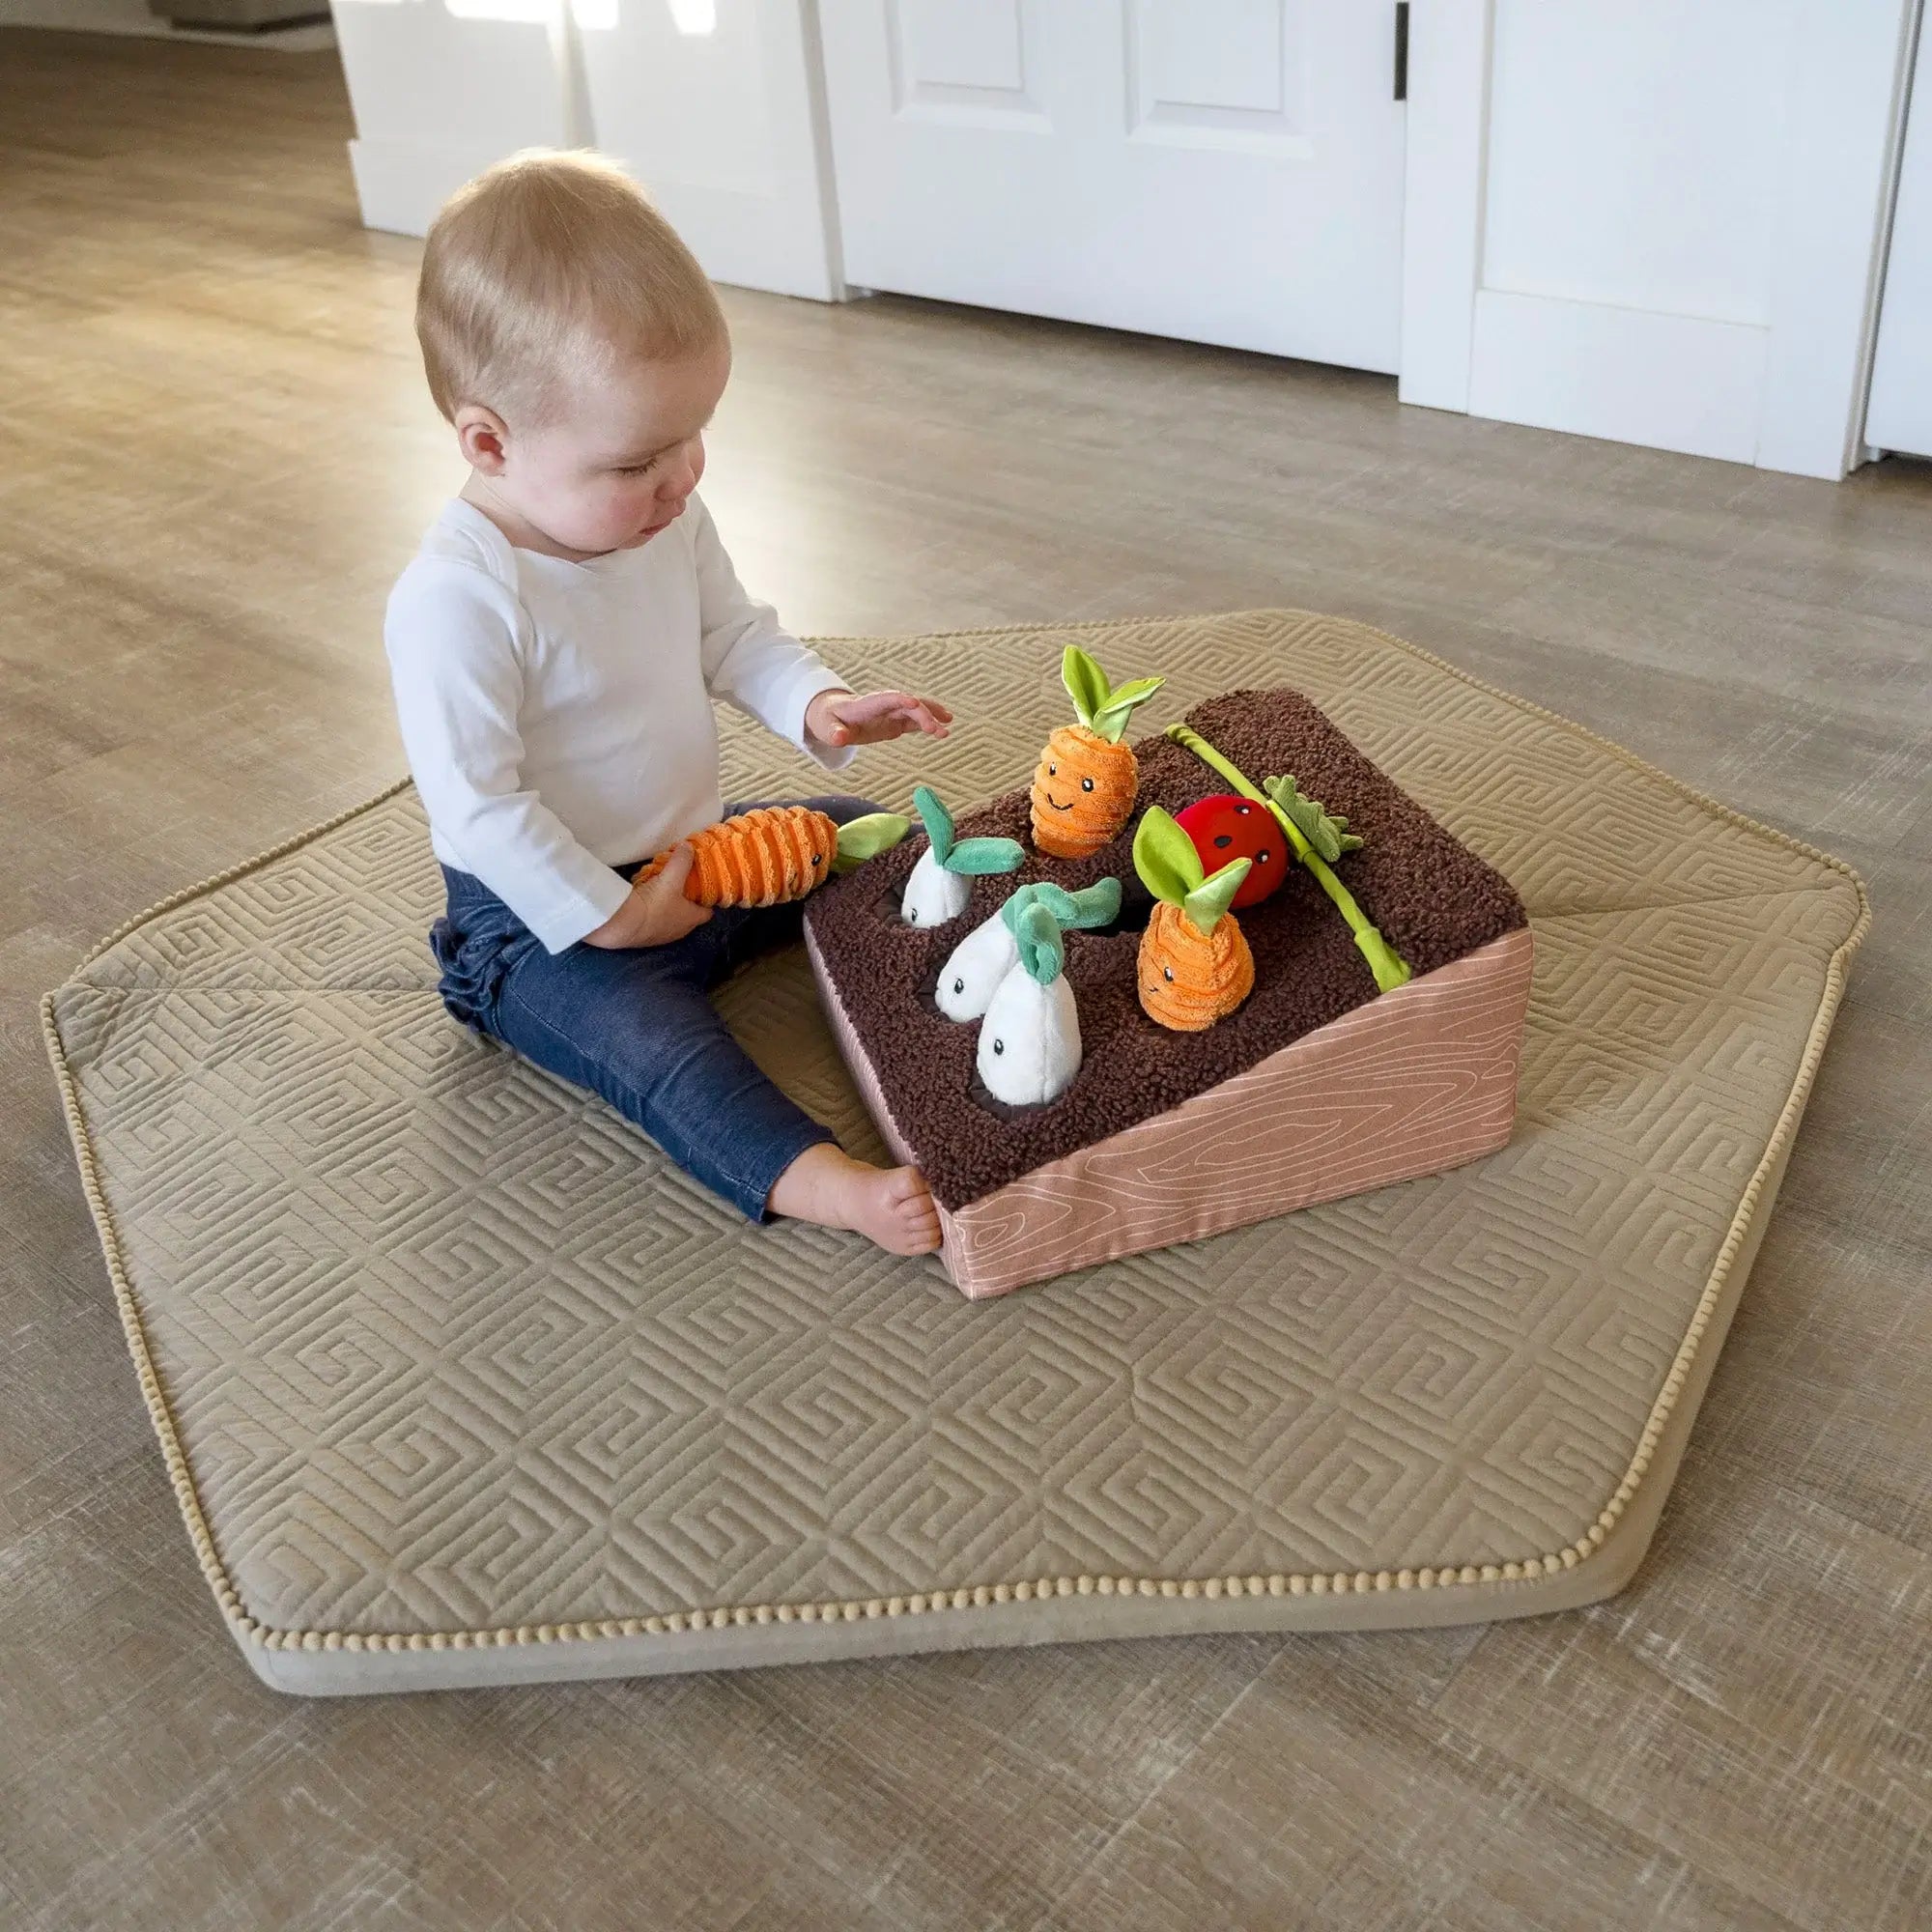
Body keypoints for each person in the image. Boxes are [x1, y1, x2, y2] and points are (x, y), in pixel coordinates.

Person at [384, 150, 947, 1254]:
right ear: (490, 443)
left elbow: (731, 634)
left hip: (695, 859)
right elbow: (478, 808)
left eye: (695, 435)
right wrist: (608, 915)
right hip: (546, 926)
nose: (683, 476)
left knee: (871, 840)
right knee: (663, 1050)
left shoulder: (660, 517)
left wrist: (816, 705)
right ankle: (814, 1178)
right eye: (640, 458)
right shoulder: (456, 599)